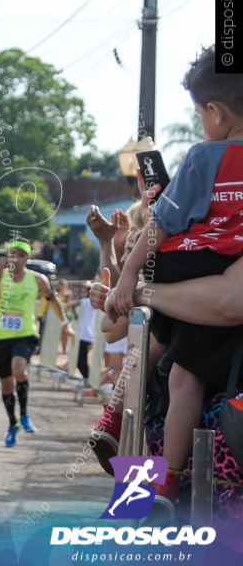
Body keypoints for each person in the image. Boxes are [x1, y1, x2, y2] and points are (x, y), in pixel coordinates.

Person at [109, 44, 243, 510]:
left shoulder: (205, 158)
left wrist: (132, 281)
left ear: (215, 111)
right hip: (172, 421)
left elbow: (230, 301)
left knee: (157, 371)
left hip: (210, 439)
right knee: (153, 378)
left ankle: (136, 478)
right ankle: (138, 494)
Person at [0, 237, 68, 447]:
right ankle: (12, 424)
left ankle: (24, 415)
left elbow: (53, 299)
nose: (16, 259)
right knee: (6, 386)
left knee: (19, 370)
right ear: (6, 256)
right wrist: (1, 276)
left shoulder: (38, 279)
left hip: (25, 334)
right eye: (12, 254)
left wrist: (65, 324)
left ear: (28, 258)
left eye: (21, 255)